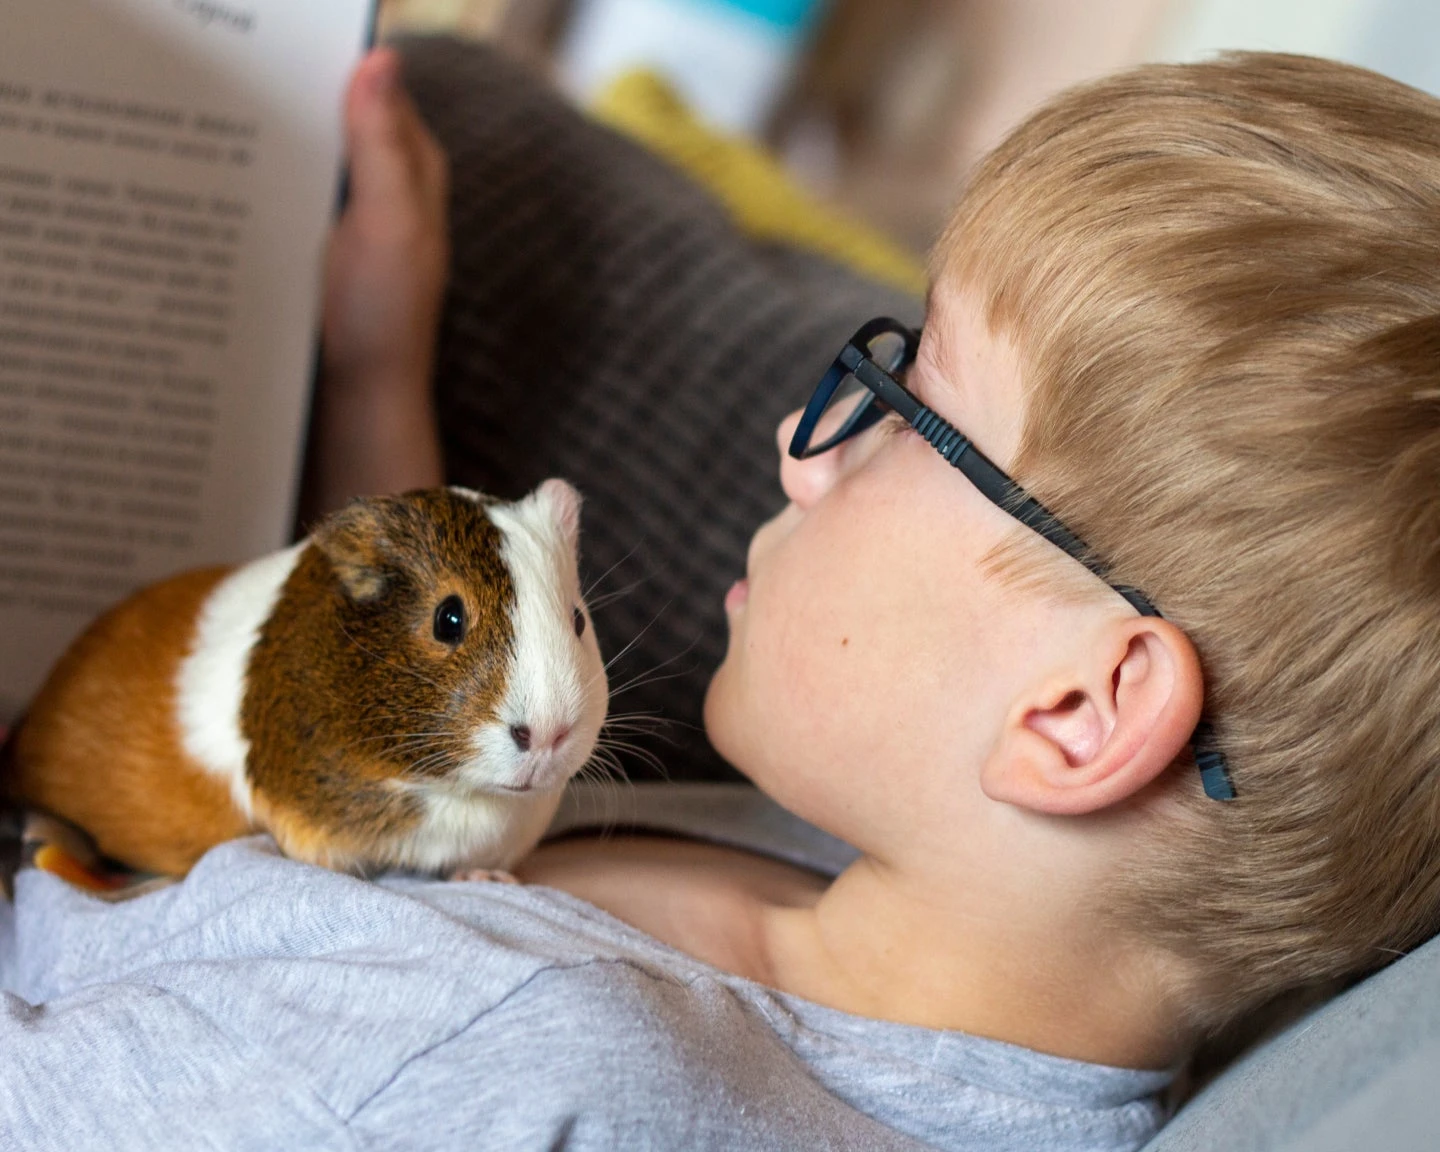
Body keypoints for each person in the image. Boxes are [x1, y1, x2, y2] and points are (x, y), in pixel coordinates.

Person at [3, 42, 1439, 1152]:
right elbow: (453, 757)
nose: (802, 453)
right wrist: (382, 369)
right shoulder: (879, 896)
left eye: (902, 408)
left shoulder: (479, 1068)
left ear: (1076, 712)